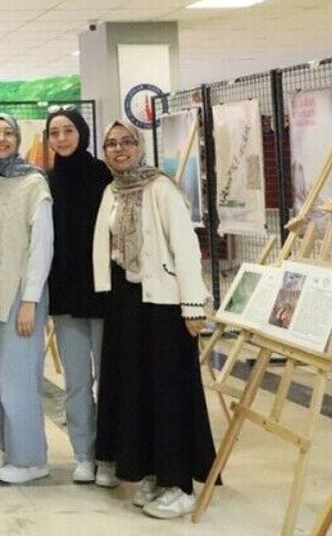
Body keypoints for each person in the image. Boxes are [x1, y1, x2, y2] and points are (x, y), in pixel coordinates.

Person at [92, 119, 217, 520]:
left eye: (127, 141)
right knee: (136, 391)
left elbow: (185, 247)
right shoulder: (112, 191)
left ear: (140, 145)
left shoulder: (161, 188)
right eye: (111, 144)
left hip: (164, 304)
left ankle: (179, 483)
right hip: (127, 303)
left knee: (168, 393)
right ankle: (151, 472)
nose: (119, 149)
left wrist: (193, 306)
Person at [0, 114, 53, 484]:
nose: (2, 139)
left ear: (18, 139)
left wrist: (30, 300)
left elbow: (42, 245)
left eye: (8, 133)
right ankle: (8, 448)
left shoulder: (34, 182)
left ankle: (31, 460)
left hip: (21, 297)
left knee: (17, 381)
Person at [44, 107, 111, 485]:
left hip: (103, 293)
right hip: (66, 295)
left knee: (109, 377)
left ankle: (110, 455)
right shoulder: (47, 181)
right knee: (76, 382)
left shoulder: (104, 175)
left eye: (68, 130)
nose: (62, 138)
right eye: (54, 133)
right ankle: (83, 454)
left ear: (82, 133)